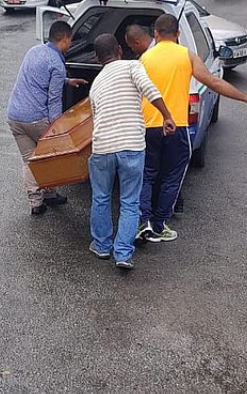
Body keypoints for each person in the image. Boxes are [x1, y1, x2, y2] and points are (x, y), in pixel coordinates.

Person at [136, 14, 247, 243]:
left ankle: (143, 221)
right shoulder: (187, 55)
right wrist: (246, 98)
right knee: (172, 177)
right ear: (178, 34)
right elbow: (214, 82)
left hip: (148, 127)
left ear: (155, 33)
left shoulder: (144, 58)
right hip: (176, 127)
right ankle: (159, 225)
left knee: (146, 175)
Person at [88, 33, 176, 270]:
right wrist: (167, 116)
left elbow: (96, 119)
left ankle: (101, 246)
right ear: (119, 49)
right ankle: (123, 254)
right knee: (129, 201)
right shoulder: (132, 66)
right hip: (131, 146)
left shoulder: (96, 84)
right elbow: (149, 89)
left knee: (101, 197)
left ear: (97, 58)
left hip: (103, 147)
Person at [7, 21, 87, 215]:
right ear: (65, 39)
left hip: (14, 116)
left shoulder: (34, 51)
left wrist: (66, 81)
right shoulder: (57, 64)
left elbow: (38, 78)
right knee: (50, 158)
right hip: (36, 118)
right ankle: (50, 193)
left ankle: (36, 202)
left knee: (29, 160)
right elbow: (54, 100)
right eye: (70, 40)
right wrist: (56, 127)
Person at [125, 24, 186, 215]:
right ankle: (161, 219)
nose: (132, 51)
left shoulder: (143, 61)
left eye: (131, 47)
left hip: (151, 124)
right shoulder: (183, 54)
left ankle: (145, 217)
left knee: (149, 172)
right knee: (170, 173)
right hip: (174, 123)